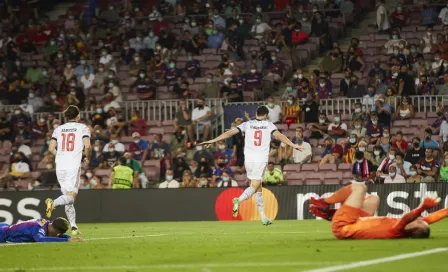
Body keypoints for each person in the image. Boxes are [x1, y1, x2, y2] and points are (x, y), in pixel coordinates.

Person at [198, 106, 302, 225]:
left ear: (256, 113)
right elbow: (280, 137)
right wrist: (293, 145)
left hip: (249, 159)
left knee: (258, 188)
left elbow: (229, 133)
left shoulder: (247, 124)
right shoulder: (269, 125)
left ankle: (263, 217)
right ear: (266, 115)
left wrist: (213, 140)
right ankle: (239, 200)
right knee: (256, 184)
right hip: (260, 159)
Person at [309, 184, 447, 239]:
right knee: (374, 198)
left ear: (411, 229)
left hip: (343, 226)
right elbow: (435, 216)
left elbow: (407, 218)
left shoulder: (398, 230)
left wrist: (422, 207)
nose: (419, 219)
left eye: (417, 222)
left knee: (359, 188)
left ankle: (325, 202)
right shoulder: (409, 227)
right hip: (356, 220)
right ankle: (333, 214)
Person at [45, 105, 91, 236]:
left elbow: (51, 148)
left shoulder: (58, 129)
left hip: (60, 165)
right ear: (78, 115)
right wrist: (86, 157)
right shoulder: (83, 128)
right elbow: (87, 146)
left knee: (67, 196)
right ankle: (53, 203)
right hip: (73, 166)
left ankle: (74, 227)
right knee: (71, 197)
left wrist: (61, 156)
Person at [0, 217, 83, 243]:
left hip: (5, 227)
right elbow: (40, 239)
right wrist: (67, 240)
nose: (59, 235)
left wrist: (68, 236)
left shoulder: (45, 222)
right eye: (58, 234)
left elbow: (58, 234)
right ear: (55, 230)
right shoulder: (38, 228)